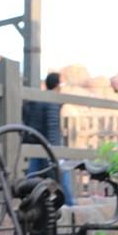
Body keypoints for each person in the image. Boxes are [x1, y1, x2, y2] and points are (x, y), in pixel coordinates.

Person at [23, 71, 75, 205]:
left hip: (36, 143)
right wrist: (56, 151)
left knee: (33, 175)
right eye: (61, 84)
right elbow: (52, 126)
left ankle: (28, 202)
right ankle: (70, 204)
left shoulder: (38, 98)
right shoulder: (51, 99)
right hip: (48, 145)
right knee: (62, 173)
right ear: (57, 85)